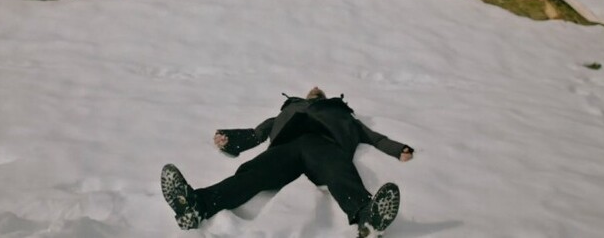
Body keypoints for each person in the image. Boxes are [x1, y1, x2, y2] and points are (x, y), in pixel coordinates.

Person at [160, 86, 414, 237]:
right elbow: (256, 134)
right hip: (285, 148)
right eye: (312, 89)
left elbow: (374, 137)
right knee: (252, 174)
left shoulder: (340, 113)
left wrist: (399, 149)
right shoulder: (289, 110)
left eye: (319, 90)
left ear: (326, 98)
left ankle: (367, 217)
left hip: (323, 144)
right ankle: (197, 206)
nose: (315, 87)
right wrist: (230, 140)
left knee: (339, 171)